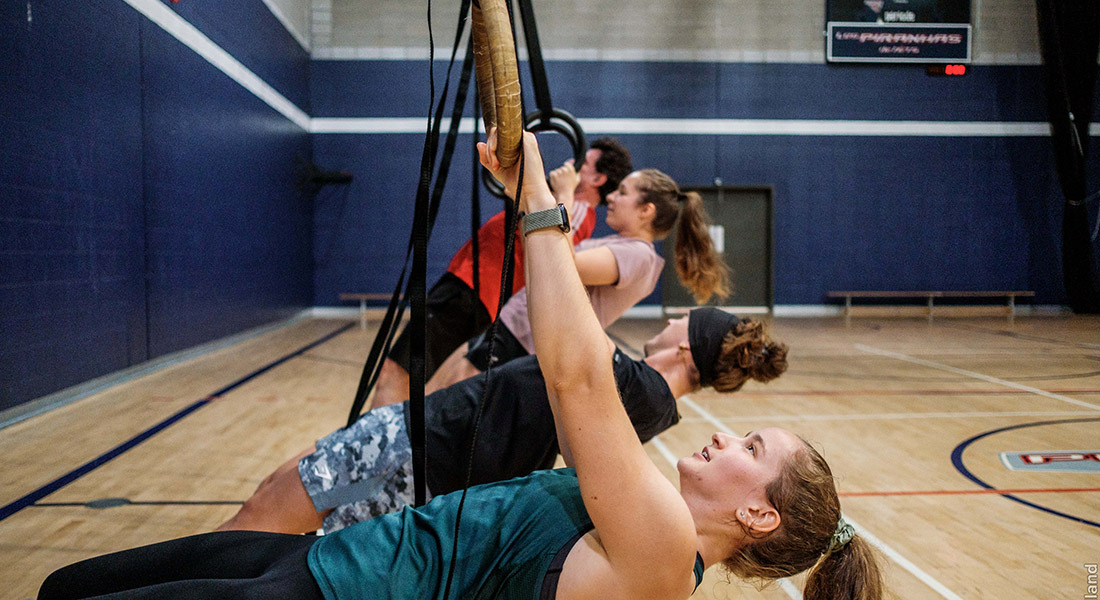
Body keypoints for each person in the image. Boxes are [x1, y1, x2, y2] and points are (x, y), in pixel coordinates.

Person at [39, 131, 883, 600]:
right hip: (333, 562)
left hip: (337, 599)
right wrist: (534, 202)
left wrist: (541, 200)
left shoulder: (664, 550)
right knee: (66, 585)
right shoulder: (653, 507)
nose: (727, 436)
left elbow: (575, 374)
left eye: (752, 449)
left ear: (759, 518)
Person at [216, 308, 788, 534]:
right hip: (426, 448)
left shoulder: (634, 386)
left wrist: (550, 200)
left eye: (684, 318)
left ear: (687, 346)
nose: (673, 316)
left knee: (265, 515)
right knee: (279, 498)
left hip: (419, 451)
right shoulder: (643, 392)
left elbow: (557, 299)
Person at [392, 160, 732, 405]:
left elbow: (561, 260)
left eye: (624, 193)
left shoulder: (639, 257)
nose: (612, 197)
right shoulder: (625, 247)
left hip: (526, 341)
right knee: (444, 391)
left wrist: (565, 194)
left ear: (646, 211)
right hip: (516, 328)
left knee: (450, 402)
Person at [370, 138, 633, 408]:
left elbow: (553, 248)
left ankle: (363, 448)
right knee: (423, 382)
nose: (569, 165)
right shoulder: (561, 204)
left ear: (598, 178)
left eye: (581, 163)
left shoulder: (575, 211)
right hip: (473, 289)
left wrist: (562, 190)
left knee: (397, 372)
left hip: (474, 290)